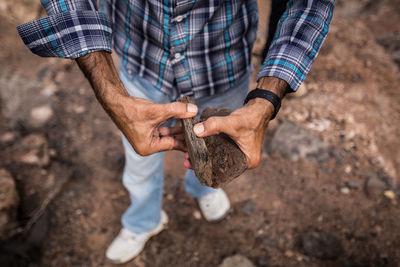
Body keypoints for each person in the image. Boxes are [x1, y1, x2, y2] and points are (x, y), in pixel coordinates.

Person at [17, 0, 334, 264]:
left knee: (215, 150)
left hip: (224, 67)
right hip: (140, 66)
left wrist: (267, 98)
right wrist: (110, 92)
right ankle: (143, 220)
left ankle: (203, 190)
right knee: (139, 159)